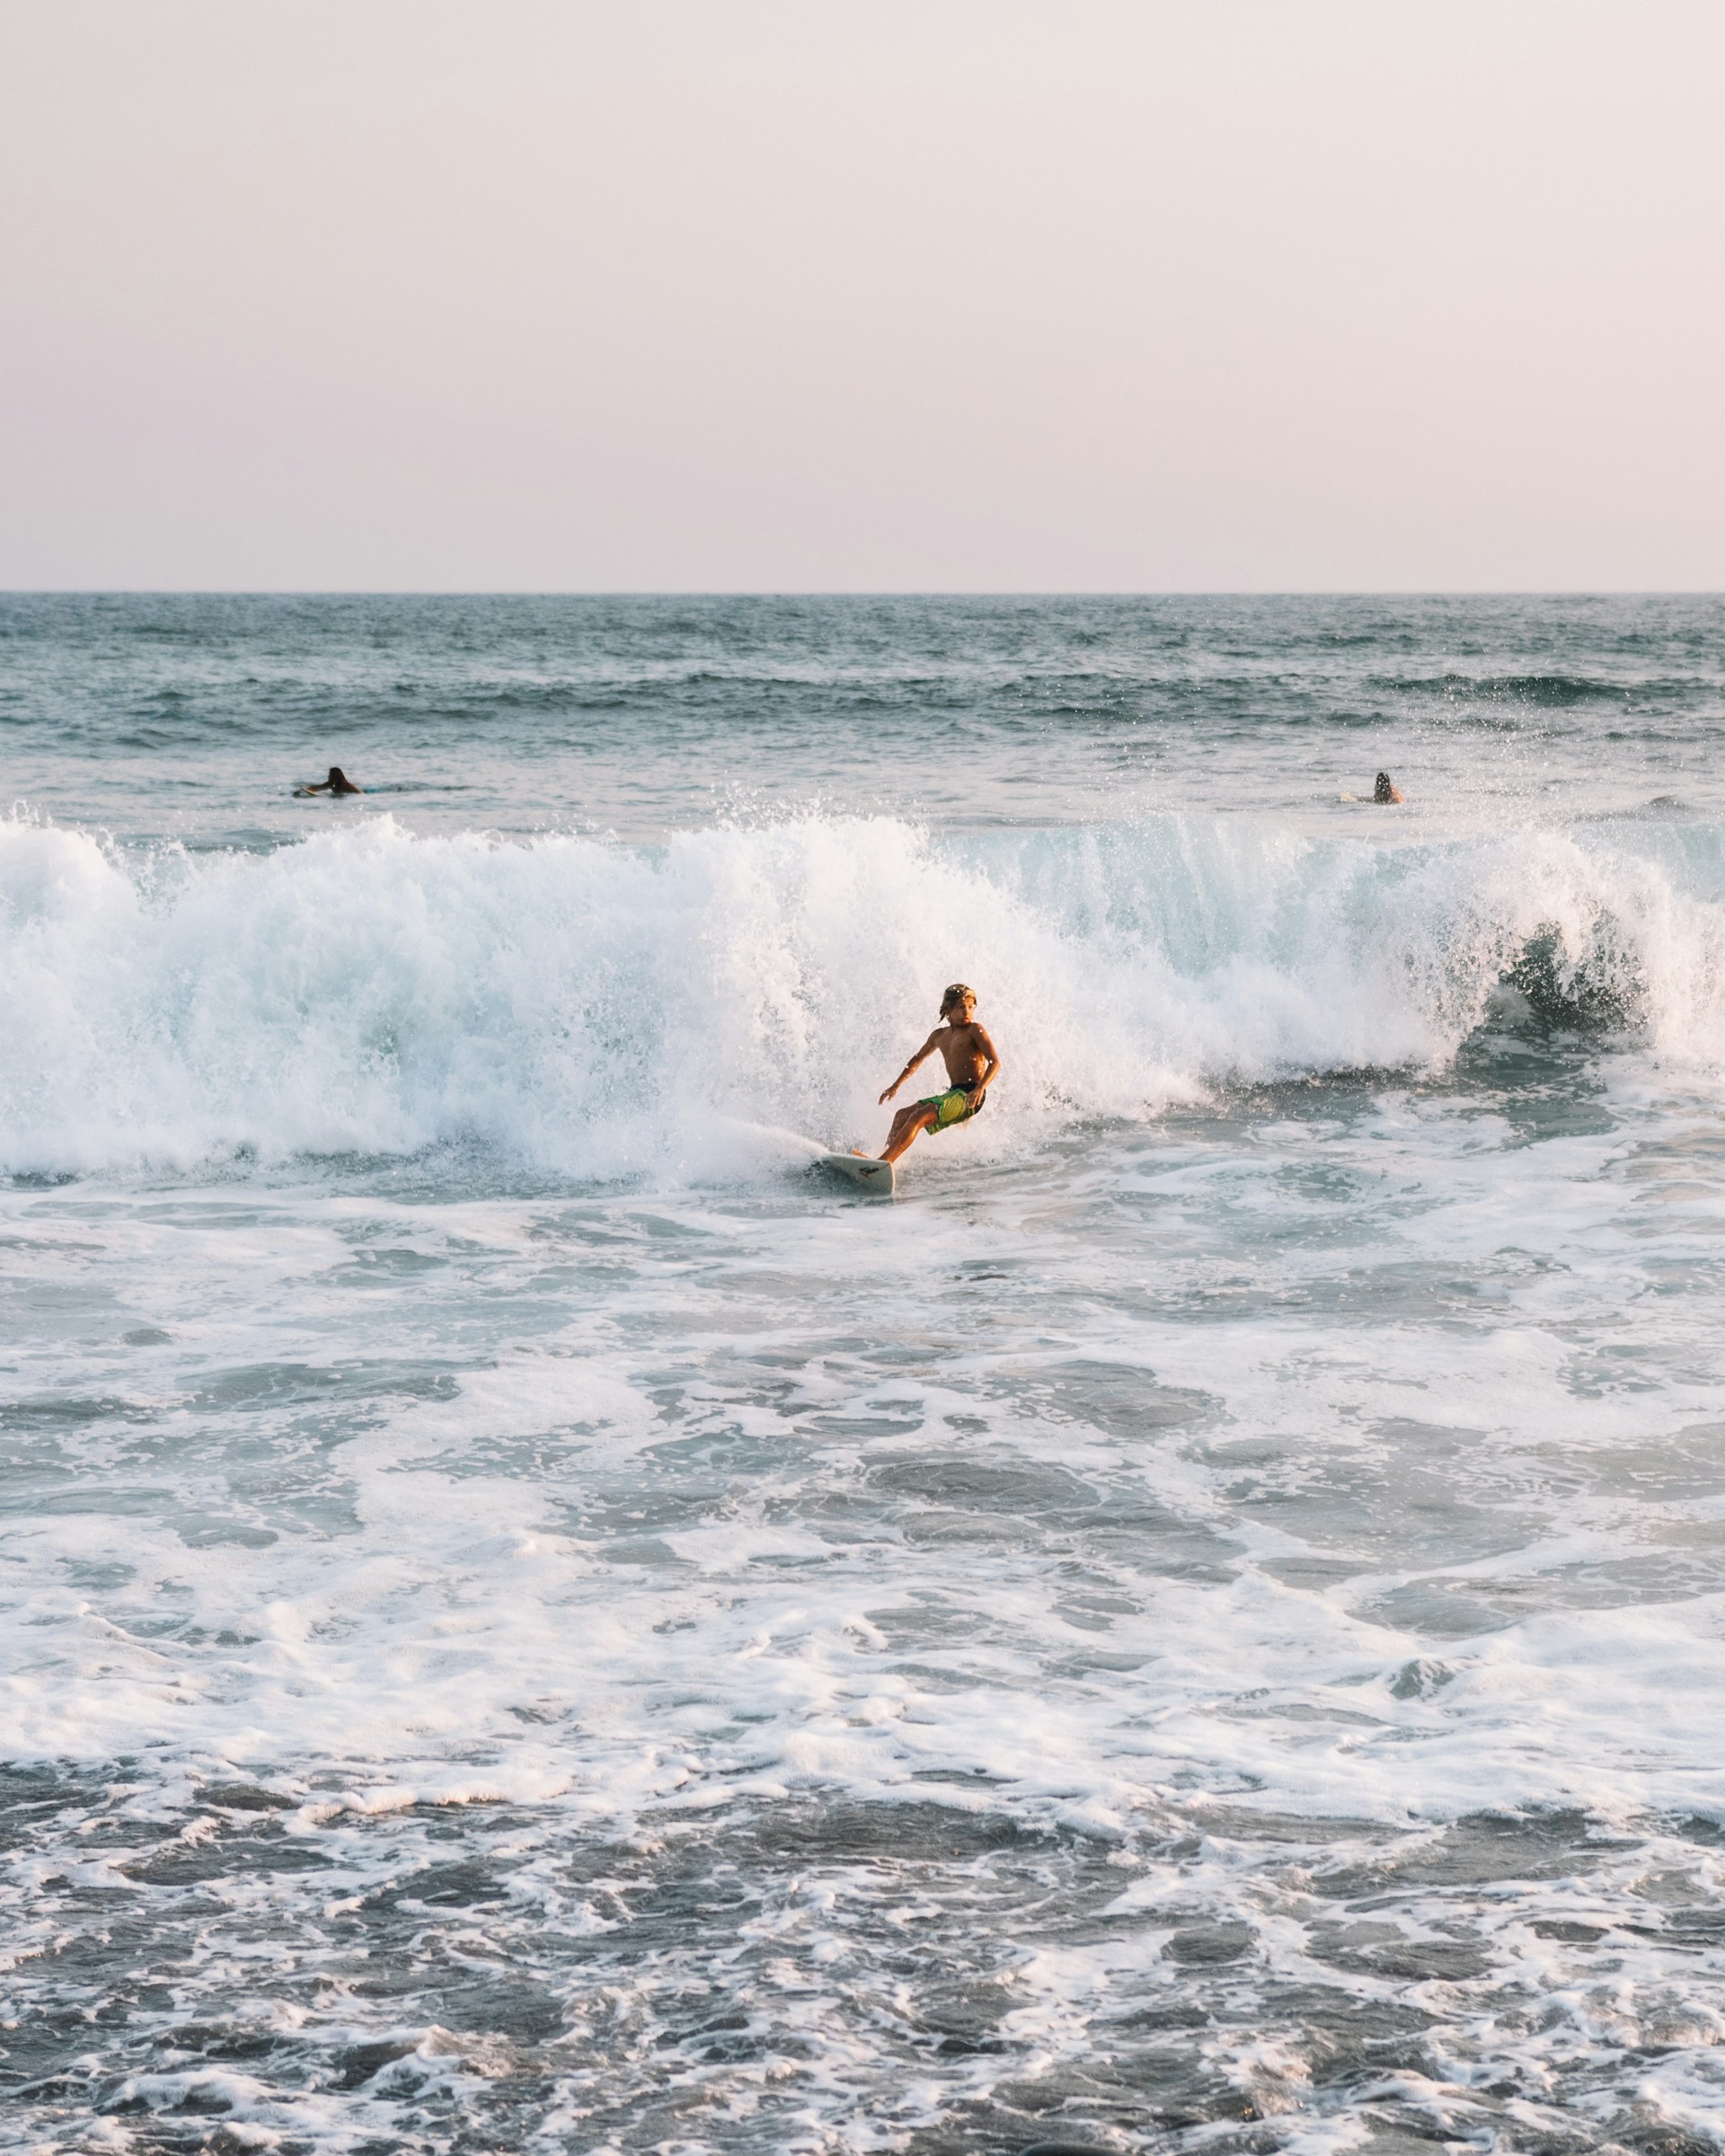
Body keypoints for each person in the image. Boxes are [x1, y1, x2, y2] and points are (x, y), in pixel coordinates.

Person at [873, 983, 1002, 1165]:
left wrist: (980, 1088)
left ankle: (884, 1162)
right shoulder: (939, 1035)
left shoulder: (975, 1030)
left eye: (971, 1007)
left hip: (970, 1095)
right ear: (947, 1009)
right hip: (954, 1093)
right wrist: (896, 1085)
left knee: (918, 1117)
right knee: (902, 1115)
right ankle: (883, 1158)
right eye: (960, 1007)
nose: (967, 1012)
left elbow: (995, 1062)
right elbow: (917, 1059)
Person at [295, 766, 364, 797]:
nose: (328, 777)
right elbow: (317, 788)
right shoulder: (330, 784)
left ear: (335, 776)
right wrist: (302, 791)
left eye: (330, 775)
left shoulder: (345, 785)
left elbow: (359, 793)